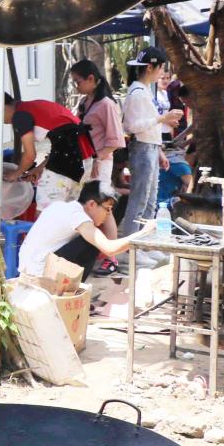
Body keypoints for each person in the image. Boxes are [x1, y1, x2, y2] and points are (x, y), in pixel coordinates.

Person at [119, 46, 183, 268]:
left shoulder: (144, 90)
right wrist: (162, 119)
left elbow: (149, 126)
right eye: (161, 67)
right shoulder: (137, 92)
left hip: (151, 148)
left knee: (150, 201)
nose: (162, 72)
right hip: (142, 149)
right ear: (150, 67)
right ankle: (130, 248)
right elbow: (131, 126)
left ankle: (144, 245)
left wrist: (159, 151)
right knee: (139, 200)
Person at [0, 91, 94, 210]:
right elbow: (65, 143)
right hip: (85, 159)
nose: (1, 122)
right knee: (70, 211)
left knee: (45, 212)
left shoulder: (19, 116)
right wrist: (38, 169)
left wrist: (15, 174)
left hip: (67, 163)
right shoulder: (33, 106)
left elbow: (30, 155)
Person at [18, 180, 154, 281]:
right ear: (91, 204)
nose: (108, 215)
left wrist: (106, 210)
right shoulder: (77, 216)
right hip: (39, 275)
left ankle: (71, 291)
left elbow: (111, 241)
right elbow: (110, 248)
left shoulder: (64, 206)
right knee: (91, 243)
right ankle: (70, 292)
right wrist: (144, 232)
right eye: (107, 210)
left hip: (30, 268)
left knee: (92, 239)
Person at [70, 59, 125, 187]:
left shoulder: (106, 104)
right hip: (84, 161)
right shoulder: (84, 101)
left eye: (77, 82)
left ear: (90, 78)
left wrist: (98, 158)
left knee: (96, 197)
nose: (76, 86)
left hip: (100, 164)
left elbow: (116, 141)